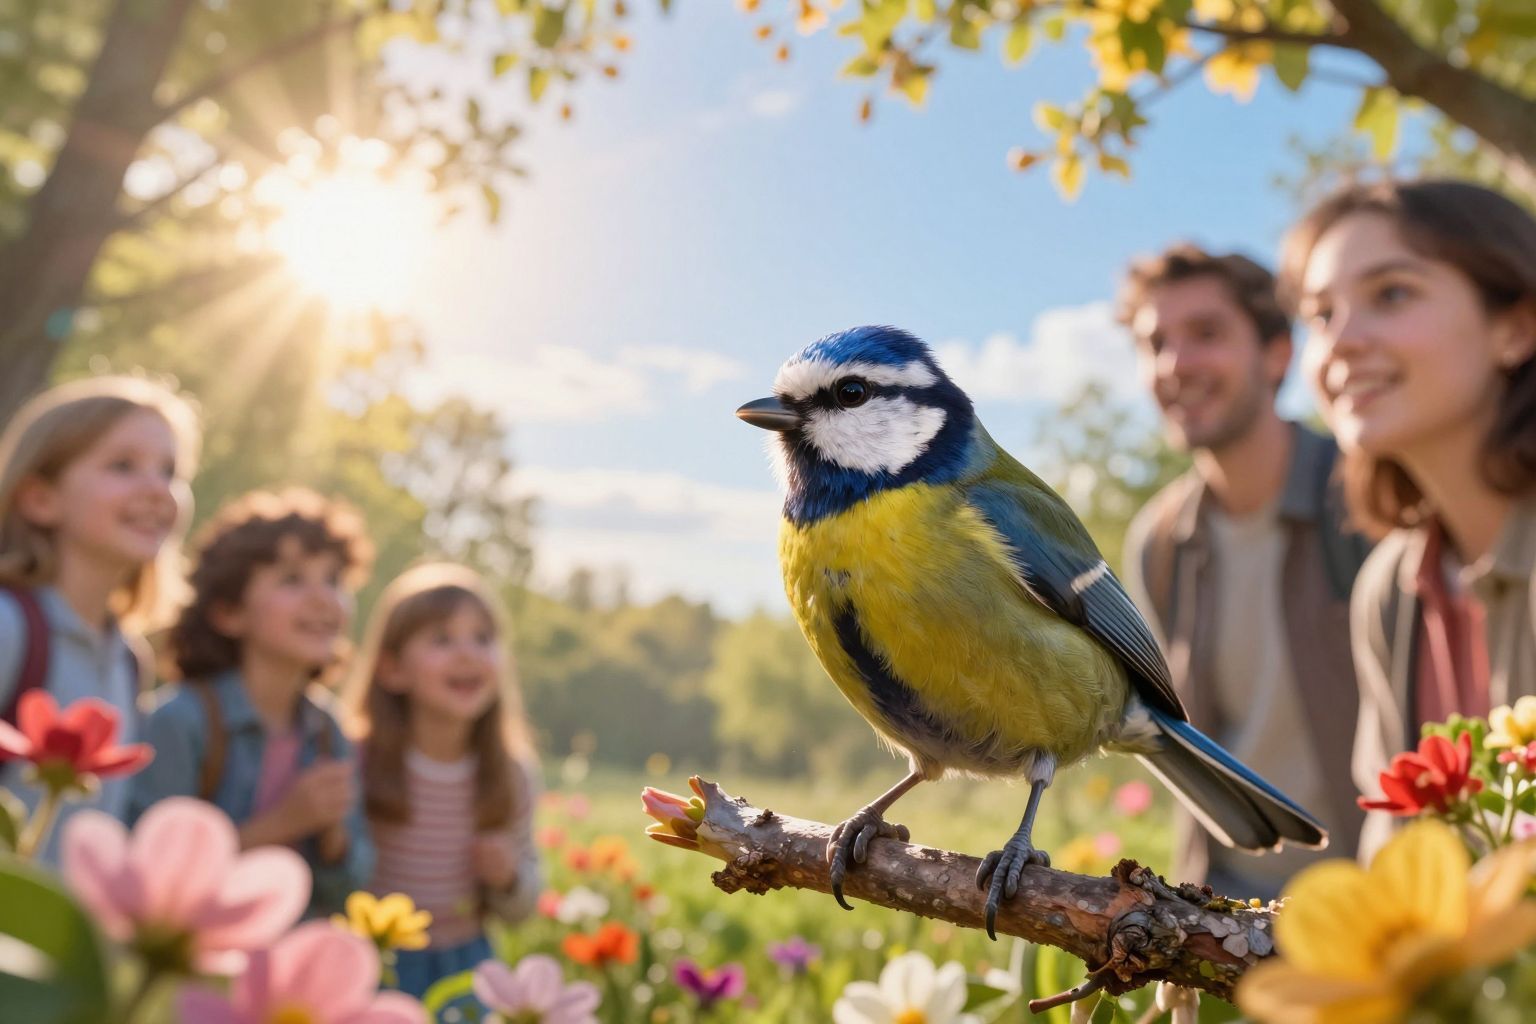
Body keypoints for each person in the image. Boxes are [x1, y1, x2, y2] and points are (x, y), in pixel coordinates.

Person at [1281, 179, 1536, 854]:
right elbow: (1397, 857)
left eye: (1390, 294)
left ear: (1516, 327)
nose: (1341, 343)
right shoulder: (1391, 591)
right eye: (1321, 314)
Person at [1118, 244, 1371, 900]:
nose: (1175, 365)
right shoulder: (1159, 544)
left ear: (1278, 353)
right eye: (1154, 344)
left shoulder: (1372, 500)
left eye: (1206, 333)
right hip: (1235, 923)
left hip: (1380, 912)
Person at [128, 487, 375, 915]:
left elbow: (349, 886)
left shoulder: (328, 731)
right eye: (292, 580)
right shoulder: (180, 721)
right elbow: (151, 878)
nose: (322, 598)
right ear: (228, 613)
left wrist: (333, 839)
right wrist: (284, 823)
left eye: (334, 580)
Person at [0, 376, 199, 861]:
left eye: (170, 471)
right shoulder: (9, 625)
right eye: (123, 465)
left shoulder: (131, 661)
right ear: (40, 498)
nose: (157, 489)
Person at [345, 562, 541, 1000]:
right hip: (373, 958)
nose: (467, 653)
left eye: (482, 638)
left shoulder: (510, 774)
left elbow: (524, 902)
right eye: (441, 639)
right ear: (392, 669)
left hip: (465, 962)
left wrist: (508, 878)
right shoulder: (358, 759)